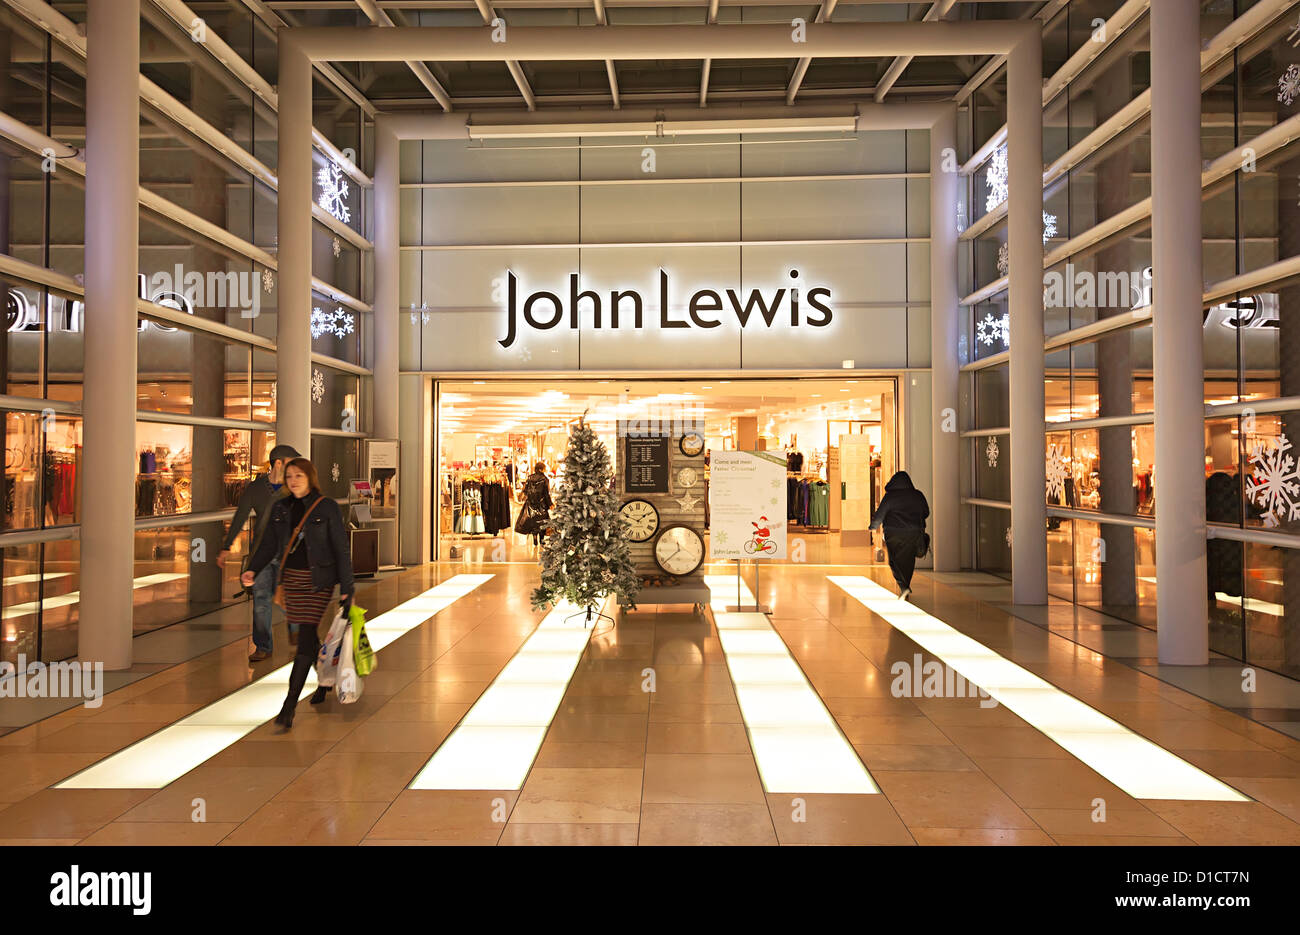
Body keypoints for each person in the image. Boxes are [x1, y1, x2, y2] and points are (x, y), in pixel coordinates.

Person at [241, 458, 354, 729]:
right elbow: (268, 544)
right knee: (307, 635)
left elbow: (340, 548)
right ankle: (325, 681)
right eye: (289, 476)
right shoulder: (281, 508)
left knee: (303, 638)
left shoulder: (326, 507)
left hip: (318, 582)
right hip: (291, 581)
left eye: (298, 475)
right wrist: (253, 570)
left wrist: (347, 589)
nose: (293, 480)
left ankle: (288, 707)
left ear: (310, 477)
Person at [217, 444, 300, 662]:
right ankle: (263, 646)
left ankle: (300, 641)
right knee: (261, 600)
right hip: (261, 553)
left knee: (289, 600)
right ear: (279, 463)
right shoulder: (255, 489)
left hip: (287, 552)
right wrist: (227, 546)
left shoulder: (294, 487)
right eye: (291, 462)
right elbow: (240, 516)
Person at [868, 470, 930, 601]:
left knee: (894, 560)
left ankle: (903, 586)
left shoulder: (890, 496)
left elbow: (880, 514)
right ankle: (906, 585)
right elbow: (926, 512)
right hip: (913, 532)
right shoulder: (917, 495)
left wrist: (873, 526)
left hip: (894, 533)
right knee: (909, 561)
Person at [522, 462, 552, 547]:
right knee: (542, 522)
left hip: (531, 503)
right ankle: (541, 540)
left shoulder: (530, 478)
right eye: (544, 468)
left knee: (533, 521)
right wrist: (550, 503)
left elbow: (525, 491)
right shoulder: (544, 479)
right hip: (542, 504)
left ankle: (534, 536)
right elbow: (546, 494)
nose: (545, 470)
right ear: (540, 469)